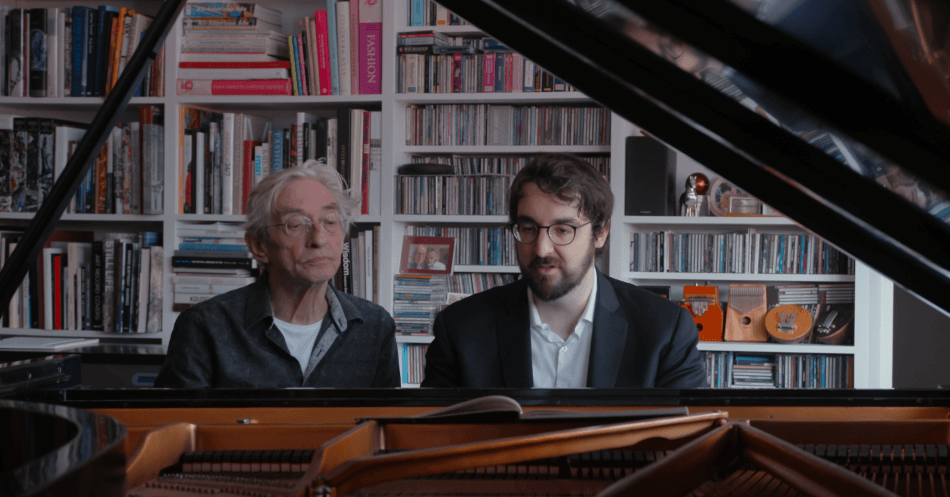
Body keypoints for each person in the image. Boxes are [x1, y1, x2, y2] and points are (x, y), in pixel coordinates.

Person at [421, 153, 706, 388]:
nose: (542, 248)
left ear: (601, 233)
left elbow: (689, 437)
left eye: (563, 229)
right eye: (528, 228)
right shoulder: (459, 328)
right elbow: (433, 436)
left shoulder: (666, 330)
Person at [155, 160, 399, 388]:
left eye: (330, 221)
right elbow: (177, 421)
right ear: (259, 245)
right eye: (296, 224)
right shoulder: (205, 327)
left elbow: (388, 419)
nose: (319, 239)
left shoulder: (375, 327)